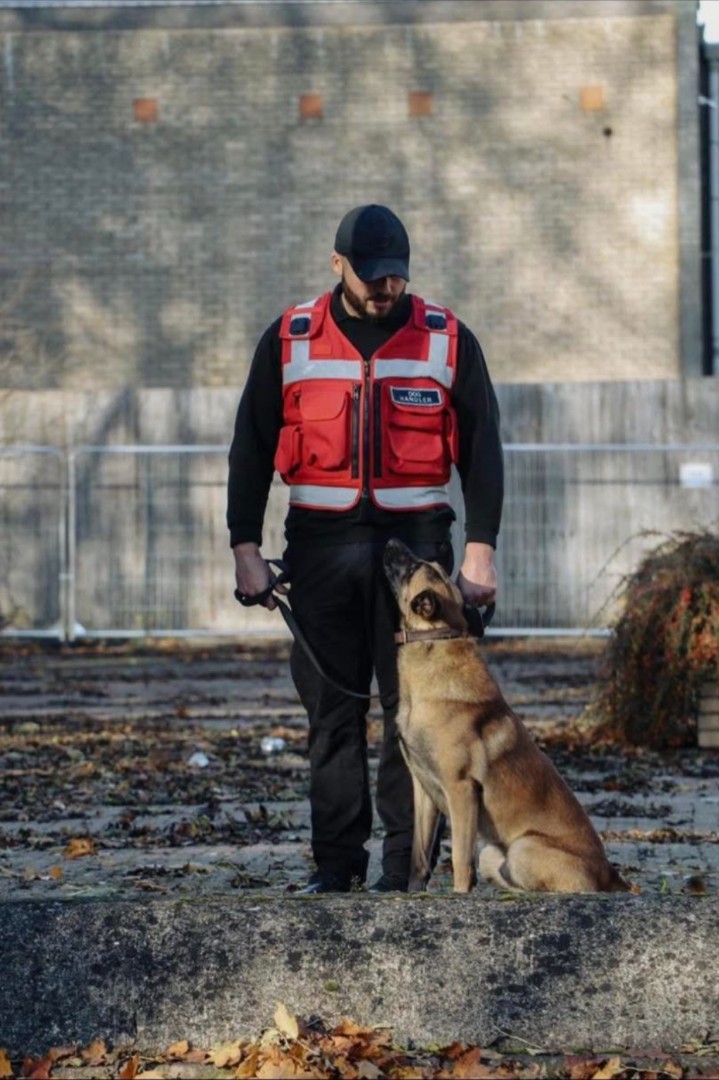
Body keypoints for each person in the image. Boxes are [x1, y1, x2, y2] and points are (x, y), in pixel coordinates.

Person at [227, 204, 503, 894]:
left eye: (397, 278)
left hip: (417, 559)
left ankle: (403, 872)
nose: (386, 290)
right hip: (320, 553)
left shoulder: (446, 339)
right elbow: (251, 447)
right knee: (332, 716)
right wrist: (244, 547)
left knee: (415, 718)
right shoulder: (290, 339)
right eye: (372, 277)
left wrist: (480, 552)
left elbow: (485, 452)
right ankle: (336, 866)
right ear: (337, 265)